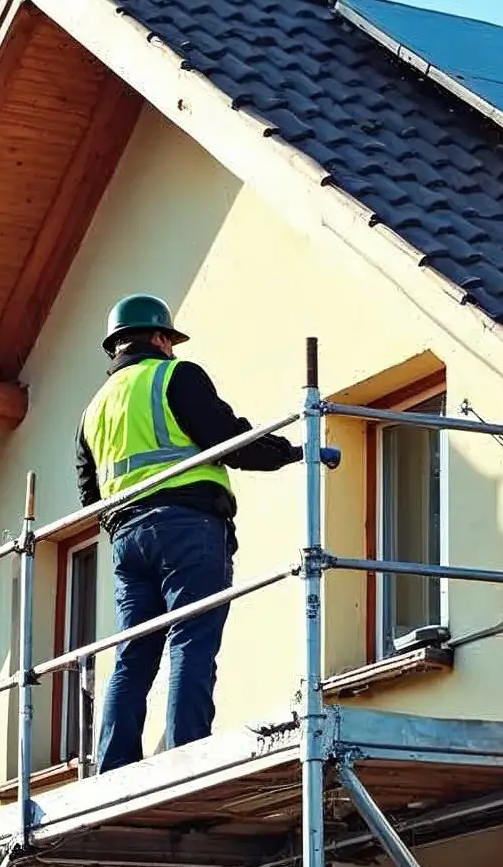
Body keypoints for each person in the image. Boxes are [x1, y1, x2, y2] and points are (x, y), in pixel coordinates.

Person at [75, 293, 324, 772]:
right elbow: (227, 438)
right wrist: (290, 452)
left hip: (127, 538)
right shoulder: (175, 375)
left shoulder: (93, 409)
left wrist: (124, 521)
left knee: (134, 650)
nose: (172, 348)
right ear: (159, 337)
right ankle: (187, 754)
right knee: (192, 637)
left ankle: (113, 763)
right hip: (187, 526)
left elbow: (90, 496)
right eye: (170, 340)